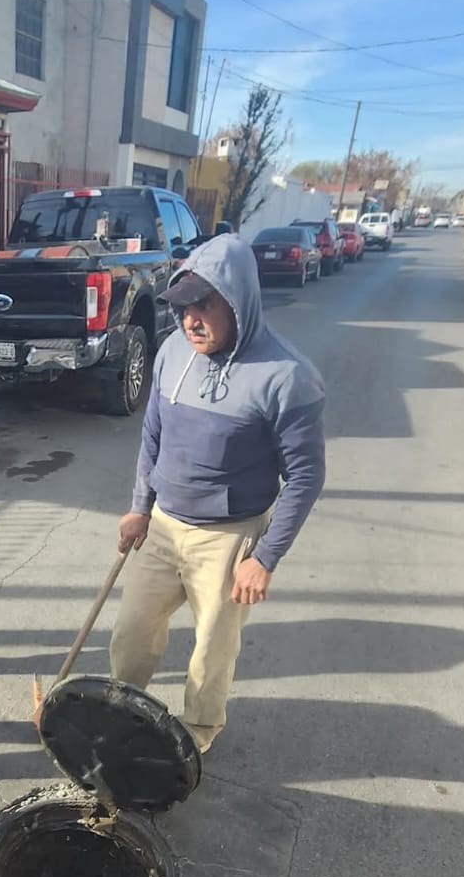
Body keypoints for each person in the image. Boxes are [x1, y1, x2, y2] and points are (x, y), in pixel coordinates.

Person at [109, 235, 325, 752]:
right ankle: (118, 719)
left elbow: (305, 476)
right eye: (184, 307)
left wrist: (265, 558)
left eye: (205, 305)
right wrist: (140, 508)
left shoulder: (287, 377)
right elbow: (153, 436)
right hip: (164, 526)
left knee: (212, 650)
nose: (192, 320)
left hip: (230, 538)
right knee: (132, 634)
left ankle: (195, 737)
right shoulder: (171, 353)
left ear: (238, 302)